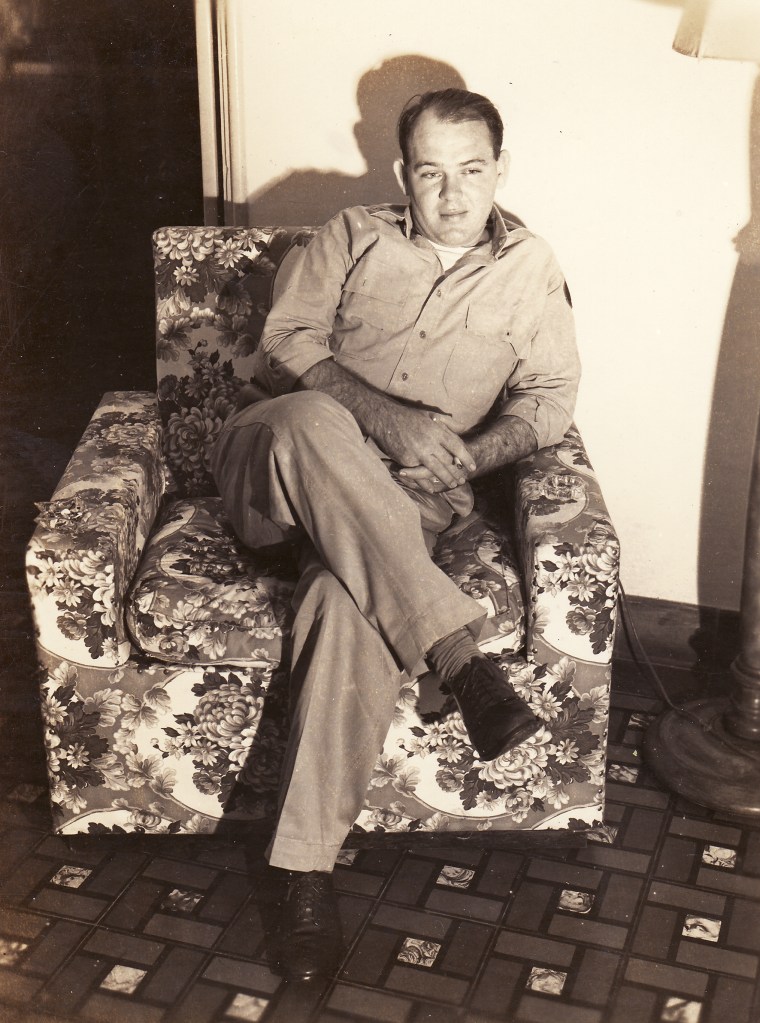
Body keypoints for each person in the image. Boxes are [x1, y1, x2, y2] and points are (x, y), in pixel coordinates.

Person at [211, 88, 581, 981]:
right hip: (276, 468)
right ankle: (456, 652)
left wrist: (465, 456)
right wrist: (391, 423)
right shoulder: (349, 234)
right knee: (312, 419)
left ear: (500, 168)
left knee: (345, 606)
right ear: (400, 173)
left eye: (471, 171)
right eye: (430, 173)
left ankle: (303, 874)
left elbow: (547, 401)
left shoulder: (532, 268)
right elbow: (286, 342)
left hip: (403, 510)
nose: (451, 195)